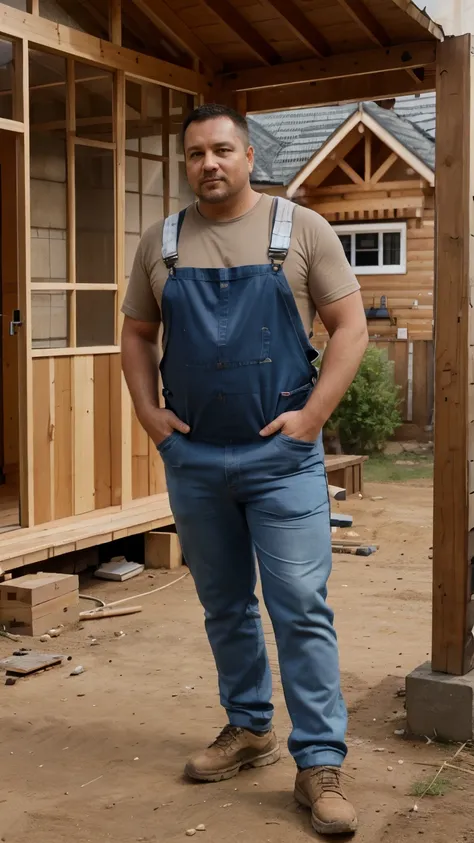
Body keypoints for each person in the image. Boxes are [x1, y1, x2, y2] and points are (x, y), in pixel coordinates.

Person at [121, 104, 368, 837]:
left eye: (222, 149)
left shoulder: (300, 230)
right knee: (224, 603)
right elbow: (136, 333)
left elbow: (350, 326)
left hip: (282, 459)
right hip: (194, 459)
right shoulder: (160, 242)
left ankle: (320, 761)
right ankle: (249, 725)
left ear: (248, 154)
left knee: (298, 604)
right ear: (186, 161)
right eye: (196, 153)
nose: (209, 164)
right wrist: (148, 413)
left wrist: (313, 418)